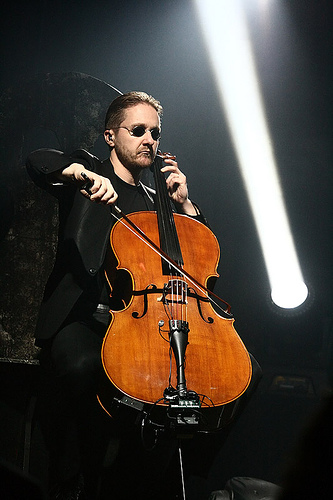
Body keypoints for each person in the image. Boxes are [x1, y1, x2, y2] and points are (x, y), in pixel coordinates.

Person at [26, 91, 210, 500]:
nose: (150, 139)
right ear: (111, 136)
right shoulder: (91, 172)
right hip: (85, 318)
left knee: (217, 386)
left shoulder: (156, 201)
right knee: (82, 365)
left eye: (155, 133)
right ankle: (67, 480)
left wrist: (185, 206)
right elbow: (39, 159)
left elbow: (200, 264)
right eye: (138, 130)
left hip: (146, 328)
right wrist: (77, 173)